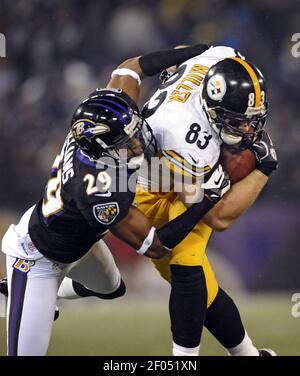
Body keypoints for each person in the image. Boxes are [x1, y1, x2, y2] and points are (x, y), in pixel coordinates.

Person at [0, 45, 230, 356]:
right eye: (128, 141)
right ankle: (20, 289)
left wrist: (199, 52)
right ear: (104, 149)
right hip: (38, 258)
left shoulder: (105, 116)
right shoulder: (98, 190)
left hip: (74, 236)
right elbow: (158, 244)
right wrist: (206, 201)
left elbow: (132, 66)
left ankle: (11, 291)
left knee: (112, 288)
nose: (138, 141)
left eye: (135, 130)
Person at [133, 45, 278, 356]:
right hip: (148, 190)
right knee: (196, 282)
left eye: (252, 120)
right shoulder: (188, 136)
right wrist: (264, 169)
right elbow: (219, 217)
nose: (248, 129)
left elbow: (199, 49)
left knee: (190, 268)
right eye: (239, 121)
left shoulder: (221, 57)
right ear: (213, 109)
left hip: (165, 170)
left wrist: (173, 66)